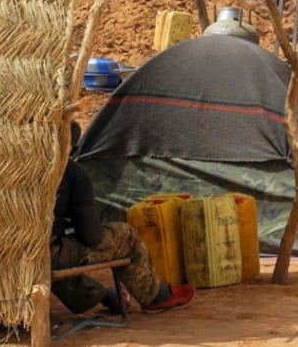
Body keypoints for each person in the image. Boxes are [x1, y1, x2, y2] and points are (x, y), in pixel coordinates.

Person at [51, 122, 196, 315]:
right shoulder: (72, 172)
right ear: (74, 149)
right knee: (124, 236)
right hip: (46, 256)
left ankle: (108, 297)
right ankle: (154, 296)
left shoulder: (11, 165)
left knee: (53, 253)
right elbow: (90, 237)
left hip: (13, 255)